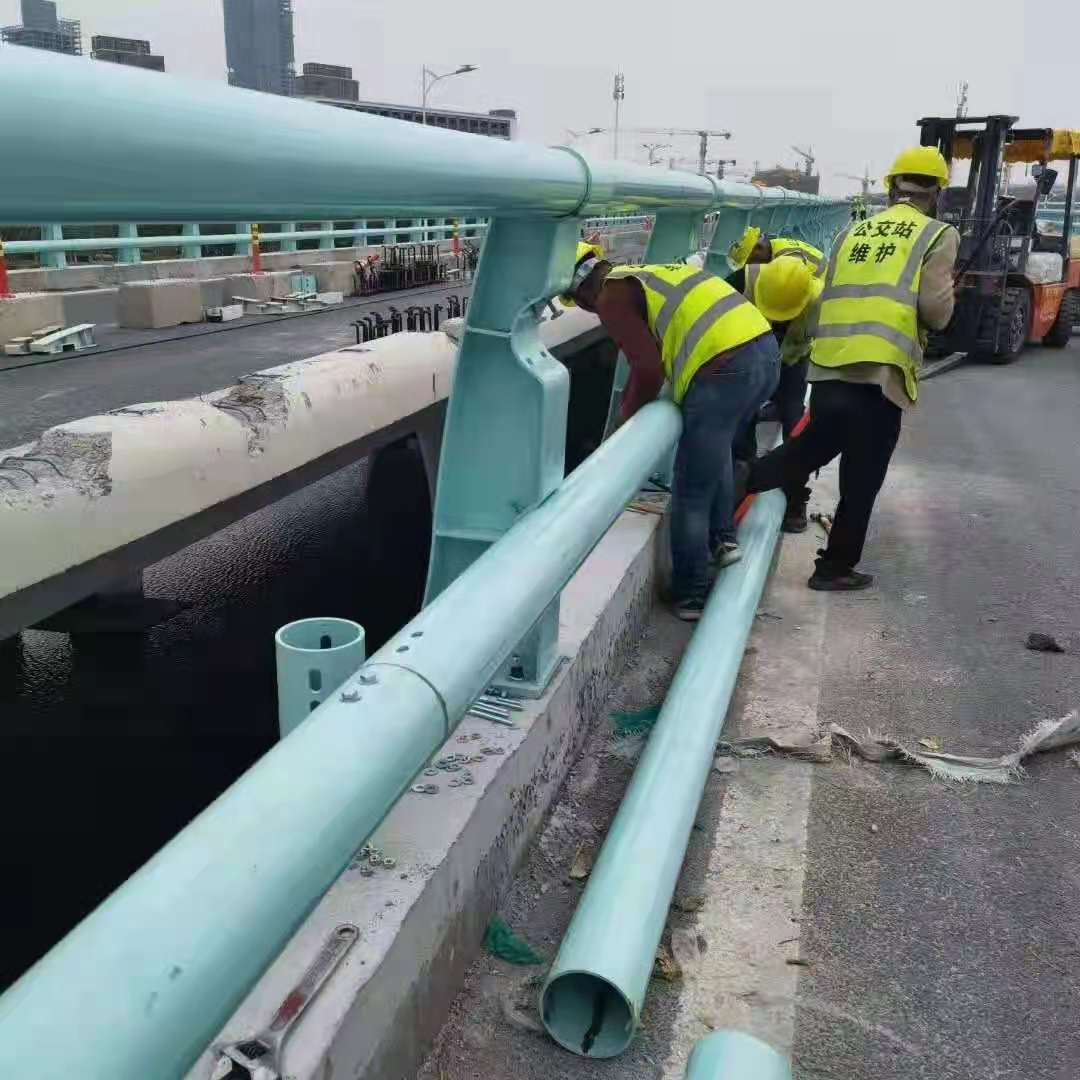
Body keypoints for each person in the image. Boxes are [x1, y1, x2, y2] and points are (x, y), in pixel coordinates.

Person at [741, 146, 960, 591]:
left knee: (809, 449)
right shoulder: (937, 234)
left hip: (828, 366)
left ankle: (736, 481)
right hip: (878, 373)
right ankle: (834, 567)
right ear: (937, 190)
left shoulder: (850, 233)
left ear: (890, 185)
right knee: (862, 477)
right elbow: (936, 311)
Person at [562, 245, 779, 621]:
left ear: (580, 292)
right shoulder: (649, 274)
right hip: (765, 353)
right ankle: (723, 539)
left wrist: (625, 421)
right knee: (718, 448)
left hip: (725, 368)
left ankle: (691, 593)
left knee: (691, 488)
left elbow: (646, 370)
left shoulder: (611, 295)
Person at [741, 256, 822, 531]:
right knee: (742, 416)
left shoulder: (820, 302)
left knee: (794, 424)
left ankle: (795, 498)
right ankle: (741, 481)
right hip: (749, 358)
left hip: (793, 361)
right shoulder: (746, 279)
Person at [727, 225, 826, 277]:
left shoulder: (786, 258)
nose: (754, 266)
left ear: (757, 249)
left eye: (751, 261)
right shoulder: (777, 246)